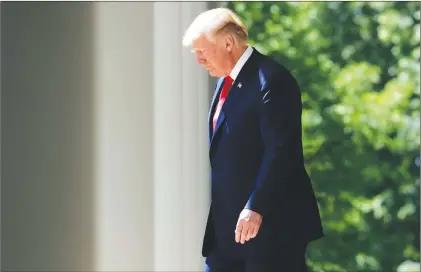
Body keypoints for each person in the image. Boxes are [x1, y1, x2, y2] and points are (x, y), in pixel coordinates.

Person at [182, 8, 324, 272]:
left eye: (203, 51)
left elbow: (281, 152)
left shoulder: (271, 80)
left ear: (228, 43)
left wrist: (255, 207)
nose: (199, 60)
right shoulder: (225, 82)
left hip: (270, 229)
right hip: (227, 234)